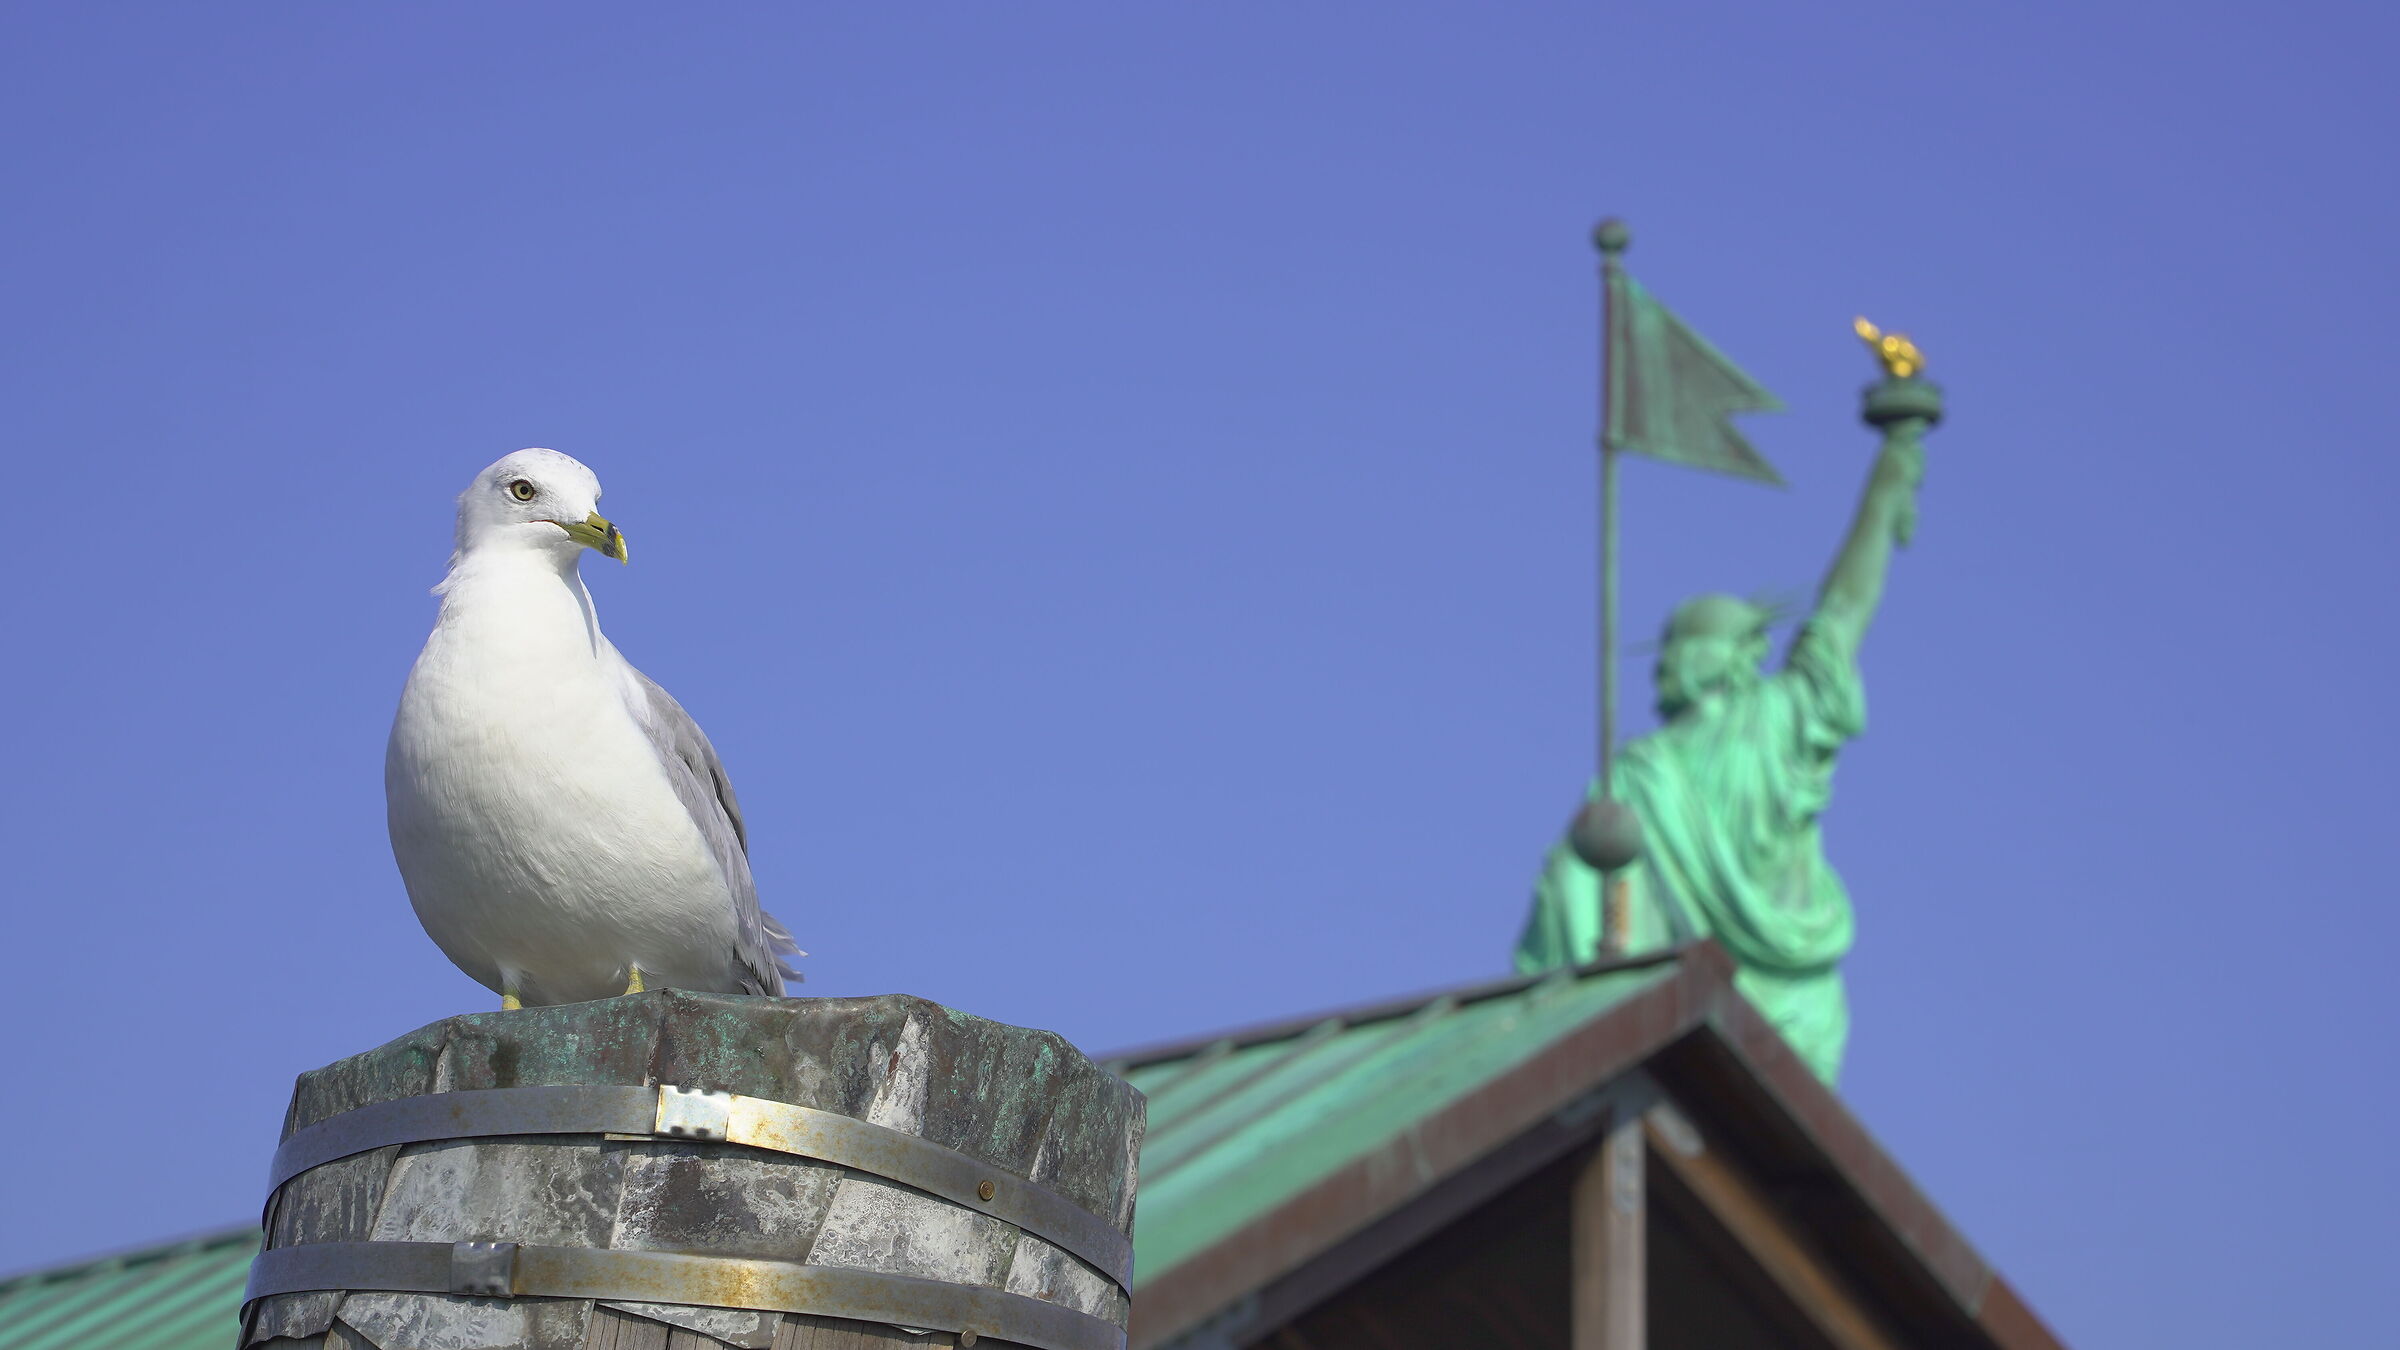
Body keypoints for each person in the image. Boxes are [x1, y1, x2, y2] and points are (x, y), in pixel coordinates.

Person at [1513, 419, 1927, 1083]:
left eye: (1676, 646)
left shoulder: (1782, 716)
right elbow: (1578, 883)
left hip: (1787, 997)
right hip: (1692, 1006)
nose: (1659, 665)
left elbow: (1846, 606)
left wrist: (1891, 472)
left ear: (1722, 659)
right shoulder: (1638, 768)